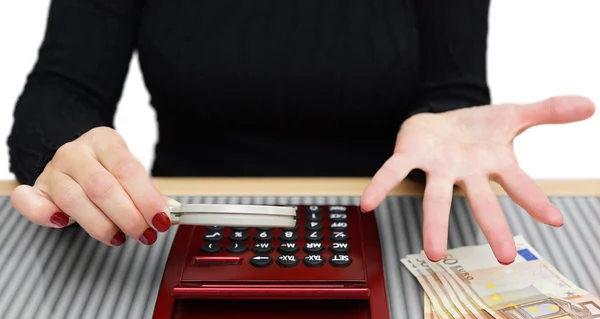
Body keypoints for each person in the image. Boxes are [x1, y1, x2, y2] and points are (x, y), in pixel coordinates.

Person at [6, 0, 595, 264]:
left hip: (386, 226)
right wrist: (68, 150)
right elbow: (62, 89)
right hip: (175, 230)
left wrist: (443, 127)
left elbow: (451, 93)